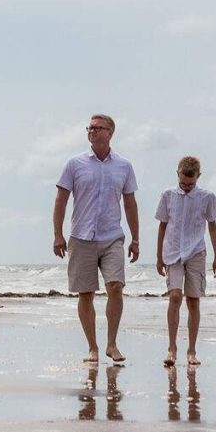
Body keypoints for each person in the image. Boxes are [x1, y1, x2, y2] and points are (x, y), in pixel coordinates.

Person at [52, 113, 142, 364]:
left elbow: (130, 202)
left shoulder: (124, 166)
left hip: (112, 235)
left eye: (97, 128)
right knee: (86, 294)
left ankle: (111, 344)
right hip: (81, 236)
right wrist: (58, 234)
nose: (92, 131)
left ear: (110, 132)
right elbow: (61, 200)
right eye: (89, 128)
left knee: (115, 287)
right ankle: (92, 347)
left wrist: (136, 239)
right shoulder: (74, 164)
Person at [153, 155, 216, 368]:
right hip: (172, 251)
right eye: (183, 182)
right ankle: (172, 348)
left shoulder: (207, 197)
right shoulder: (168, 195)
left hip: (196, 252)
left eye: (190, 183)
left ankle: (192, 350)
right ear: (178, 174)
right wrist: (158, 256)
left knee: (193, 301)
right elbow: (163, 225)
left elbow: (212, 226)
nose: (186, 186)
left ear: (198, 177)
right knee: (175, 297)